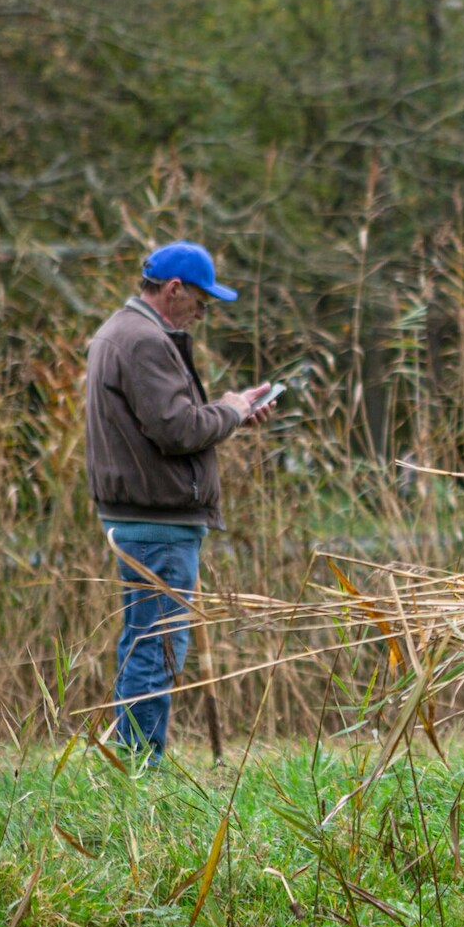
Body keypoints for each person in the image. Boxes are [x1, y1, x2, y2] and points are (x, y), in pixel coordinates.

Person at [84, 242, 271, 762]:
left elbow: (168, 422)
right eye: (201, 301)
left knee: (144, 640)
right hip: (158, 521)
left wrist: (230, 412)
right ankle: (141, 766)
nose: (202, 312)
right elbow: (177, 428)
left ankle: (130, 757)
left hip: (144, 517)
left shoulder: (118, 332)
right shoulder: (144, 340)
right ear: (173, 289)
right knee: (159, 647)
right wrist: (230, 411)